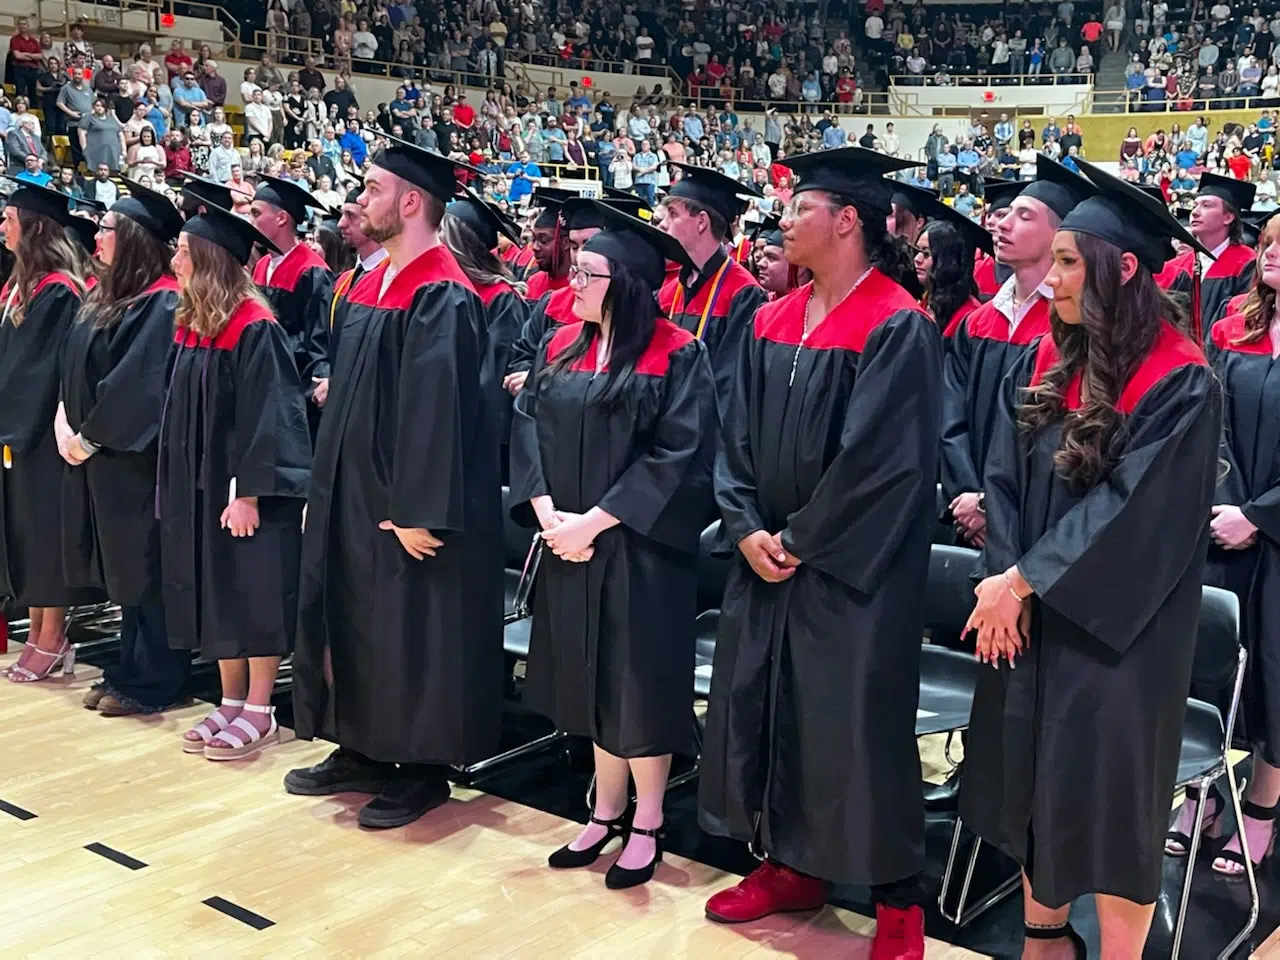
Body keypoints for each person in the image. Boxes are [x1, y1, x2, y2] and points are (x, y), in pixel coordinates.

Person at [960, 158, 1222, 957]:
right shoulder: (1051, 359)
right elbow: (1001, 479)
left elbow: (1136, 513)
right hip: (1028, 618)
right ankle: (1044, 939)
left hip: (1120, 638)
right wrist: (1004, 581)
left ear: (1124, 267)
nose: (1054, 279)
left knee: (1111, 807)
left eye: (1070, 263)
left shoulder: (1182, 378)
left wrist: (1024, 581)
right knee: (1034, 780)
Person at [698, 146, 942, 958]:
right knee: (770, 713)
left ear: (847, 221)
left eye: (800, 208)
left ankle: (897, 902)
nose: (783, 221)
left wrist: (799, 541)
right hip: (765, 561)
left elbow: (884, 462)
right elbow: (728, 439)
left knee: (856, 729)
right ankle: (790, 864)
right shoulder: (769, 318)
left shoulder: (896, 323)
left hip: (849, 574)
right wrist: (742, 527)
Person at [287, 141, 505, 829]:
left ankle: (420, 766)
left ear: (411, 201)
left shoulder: (440, 290)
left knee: (412, 631)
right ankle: (364, 748)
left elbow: (436, 413)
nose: (361, 200)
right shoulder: (376, 283)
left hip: (404, 506)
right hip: (355, 498)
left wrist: (418, 509)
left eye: (373, 189)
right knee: (359, 622)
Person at [510, 200, 717, 889]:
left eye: (587, 272)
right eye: (574, 269)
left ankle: (649, 820)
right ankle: (604, 811)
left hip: (638, 551)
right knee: (590, 681)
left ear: (625, 283)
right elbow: (527, 428)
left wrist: (592, 522)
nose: (572, 281)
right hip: (567, 541)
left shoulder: (679, 355)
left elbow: (678, 457)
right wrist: (546, 513)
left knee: (637, 686)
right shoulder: (561, 343)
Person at [160, 200, 312, 759]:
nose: (174, 261)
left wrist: (249, 492)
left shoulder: (256, 326)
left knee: (254, 590)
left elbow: (270, 416)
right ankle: (228, 699)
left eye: (182, 252)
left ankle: (260, 707)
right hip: (202, 488)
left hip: (244, 493)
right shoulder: (198, 323)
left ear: (209, 260)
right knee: (218, 589)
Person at [1166, 210, 1280, 879]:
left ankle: (1263, 805)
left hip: (1268, 530)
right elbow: (1214, 423)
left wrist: (1261, 517)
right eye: (1267, 244)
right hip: (1224, 524)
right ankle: (1204, 791)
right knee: (1213, 664)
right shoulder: (1234, 327)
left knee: (1277, 668)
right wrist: (1229, 506)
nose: (1271, 256)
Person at [59, 179, 193, 715]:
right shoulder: (113, 296)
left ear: (134, 237)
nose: (97, 236)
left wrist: (89, 435)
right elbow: (75, 368)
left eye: (108, 228)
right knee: (126, 574)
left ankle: (154, 678)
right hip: (101, 457)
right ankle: (128, 669)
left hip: (136, 461)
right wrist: (65, 421)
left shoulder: (162, 302)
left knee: (147, 570)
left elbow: (137, 386)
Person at [942, 158, 1090, 556]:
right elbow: (949, 418)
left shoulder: (1075, 328)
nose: (1001, 224)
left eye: (1023, 216)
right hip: (965, 514)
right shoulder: (977, 323)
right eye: (1004, 215)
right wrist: (968, 496)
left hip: (1040, 521)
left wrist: (994, 505)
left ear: (1059, 234)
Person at [0, 181, 103, 683]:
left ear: (35, 227)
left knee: (46, 534)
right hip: (19, 430)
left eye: (9, 217)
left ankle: (53, 634)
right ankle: (39, 629)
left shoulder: (60, 289)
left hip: (43, 432)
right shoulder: (21, 285)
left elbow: (39, 369)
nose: (2, 226)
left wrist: (10, 419)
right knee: (26, 532)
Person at [503, 193, 651, 396]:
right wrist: (528, 377)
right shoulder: (553, 302)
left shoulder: (642, 315)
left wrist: (543, 381)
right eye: (574, 246)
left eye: (590, 243)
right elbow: (523, 354)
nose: (581, 253)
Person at [657, 163, 767, 408]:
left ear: (701, 222)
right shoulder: (668, 293)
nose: (663, 224)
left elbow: (732, 387)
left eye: (673, 214)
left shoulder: (744, 294)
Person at [442, 189, 528, 479]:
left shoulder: (500, 298)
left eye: (443, 233)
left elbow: (494, 379)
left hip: (477, 436)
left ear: (460, 244)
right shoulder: (444, 290)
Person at [249, 174, 334, 438]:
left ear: (282, 218)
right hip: (262, 383)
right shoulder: (262, 266)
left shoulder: (312, 271)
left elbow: (316, 342)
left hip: (294, 393)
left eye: (256, 213)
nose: (250, 221)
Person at [1159, 172, 1257, 334]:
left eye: (1206, 205)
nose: (1195, 212)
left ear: (1228, 217)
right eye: (1195, 205)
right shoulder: (1174, 267)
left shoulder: (1247, 263)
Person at [915, 195, 989, 338]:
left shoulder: (968, 317)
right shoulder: (925, 300)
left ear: (947, 260)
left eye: (926, 254)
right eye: (917, 251)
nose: (917, 259)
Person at [523, 186, 574, 300]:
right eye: (534, 239)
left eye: (543, 241)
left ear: (566, 243)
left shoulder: (578, 290)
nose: (535, 247)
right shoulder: (533, 282)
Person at [974, 179, 1022, 296]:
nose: (989, 221)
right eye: (989, 215)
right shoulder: (977, 269)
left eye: (1001, 215)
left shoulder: (1029, 273)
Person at [753, 215, 811, 299]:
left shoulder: (809, 309)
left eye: (771, 258)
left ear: (800, 267)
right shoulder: (765, 300)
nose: (761, 263)